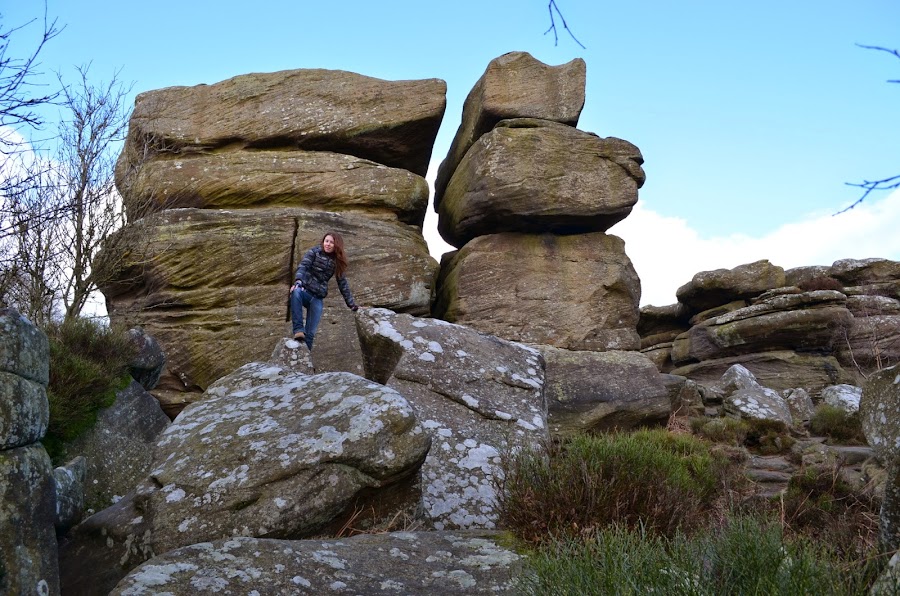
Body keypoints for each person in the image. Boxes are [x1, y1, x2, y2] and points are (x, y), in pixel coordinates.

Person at [290, 232, 359, 350]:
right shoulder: (314, 252)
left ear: (336, 245)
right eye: (326, 241)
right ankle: (298, 330)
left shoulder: (337, 261)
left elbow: (342, 284)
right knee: (295, 292)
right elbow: (303, 266)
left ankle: (306, 360)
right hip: (304, 290)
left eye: (331, 242)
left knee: (310, 334)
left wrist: (352, 305)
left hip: (317, 298)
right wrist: (298, 282)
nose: (328, 244)